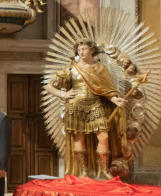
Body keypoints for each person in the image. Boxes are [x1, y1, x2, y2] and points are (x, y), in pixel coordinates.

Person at [45, 40, 127, 179]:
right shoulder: (71, 68)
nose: (81, 52)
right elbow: (49, 86)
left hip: (95, 105)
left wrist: (115, 99)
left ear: (92, 50)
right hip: (76, 107)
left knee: (104, 136)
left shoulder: (101, 68)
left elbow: (105, 90)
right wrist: (63, 95)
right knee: (79, 138)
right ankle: (82, 171)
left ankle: (104, 171)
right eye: (79, 49)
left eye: (84, 49)